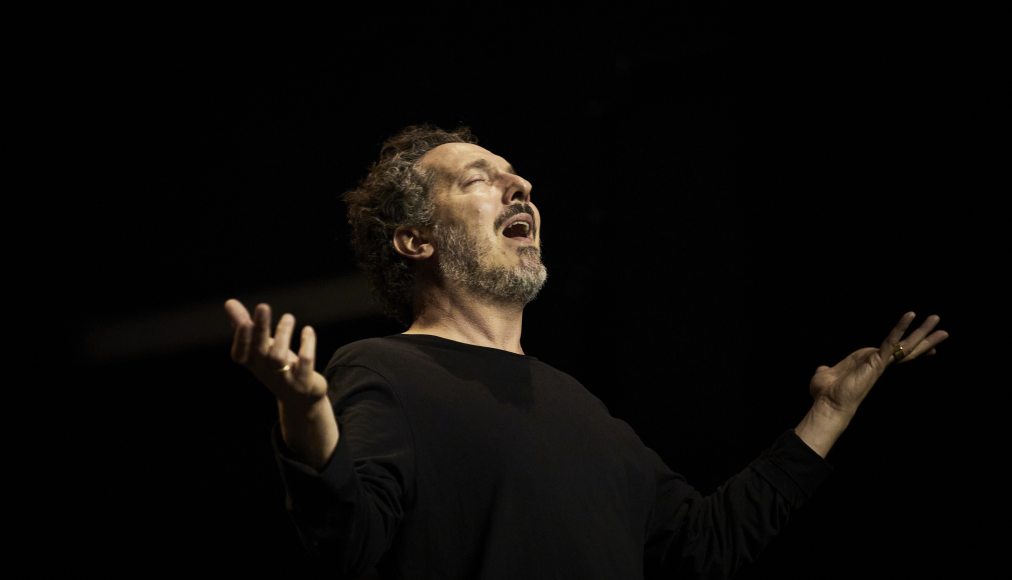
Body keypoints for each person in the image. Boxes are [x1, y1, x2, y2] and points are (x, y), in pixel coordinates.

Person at [223, 125, 949, 579]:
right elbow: (350, 539)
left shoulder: (581, 409)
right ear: (417, 241)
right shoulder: (387, 370)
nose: (522, 185)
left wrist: (826, 415)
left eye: (516, 175)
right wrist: (306, 413)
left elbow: (706, 546)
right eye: (480, 178)